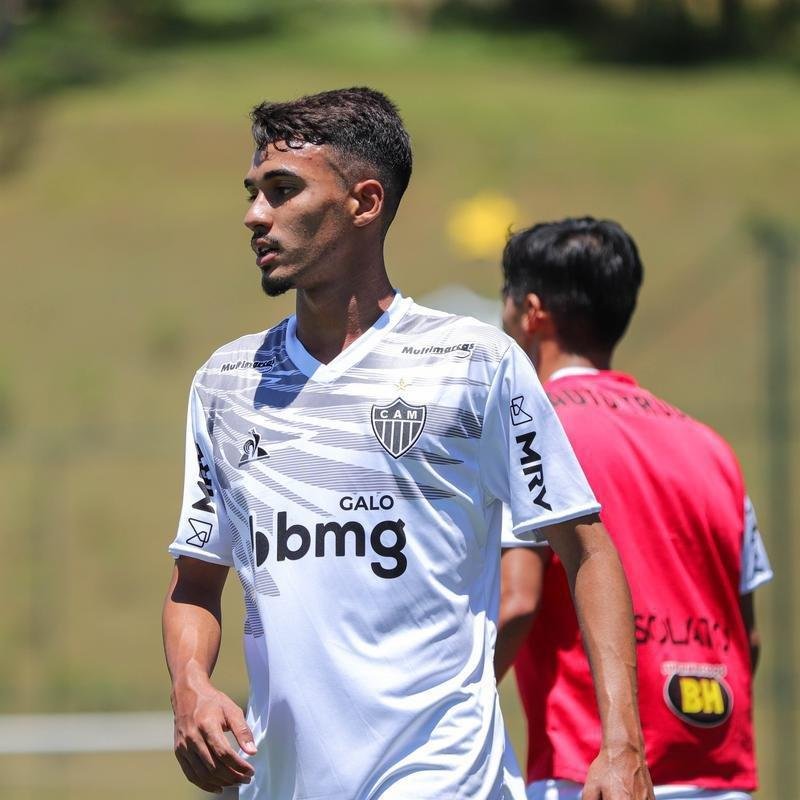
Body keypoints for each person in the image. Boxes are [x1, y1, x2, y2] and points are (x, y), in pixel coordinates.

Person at [162, 89, 653, 800]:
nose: (254, 214)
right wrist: (190, 689)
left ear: (365, 203)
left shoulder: (475, 363)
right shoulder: (227, 383)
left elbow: (587, 547)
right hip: (281, 782)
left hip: (445, 778)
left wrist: (621, 743)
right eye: (253, 192)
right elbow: (195, 581)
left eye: (282, 190)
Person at [497, 217, 774, 800]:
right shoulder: (712, 447)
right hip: (717, 770)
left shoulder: (534, 432)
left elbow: (516, 600)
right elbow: (744, 633)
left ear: (531, 311)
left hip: (592, 772)